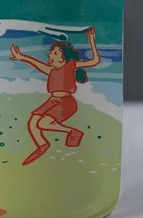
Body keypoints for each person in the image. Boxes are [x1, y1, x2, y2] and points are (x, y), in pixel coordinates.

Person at [9, 27, 100, 165]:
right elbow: (36, 63)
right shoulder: (51, 70)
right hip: (52, 101)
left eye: (55, 52)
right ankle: (42, 144)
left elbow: (94, 61)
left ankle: (72, 131)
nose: (50, 54)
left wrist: (91, 39)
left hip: (66, 102)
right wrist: (22, 57)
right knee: (33, 121)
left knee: (42, 123)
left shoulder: (71, 66)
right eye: (51, 51)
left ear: (63, 57)